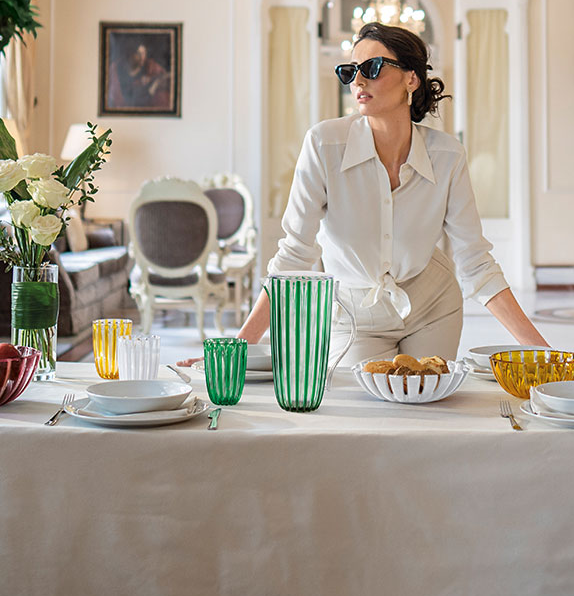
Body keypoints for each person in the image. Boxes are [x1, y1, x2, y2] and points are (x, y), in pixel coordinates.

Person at [233, 22, 550, 366]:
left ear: (411, 79)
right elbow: (294, 256)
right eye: (350, 71)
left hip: (434, 306)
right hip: (355, 316)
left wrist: (547, 353)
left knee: (426, 393)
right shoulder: (324, 146)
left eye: (372, 68)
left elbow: (476, 263)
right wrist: (238, 350)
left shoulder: (447, 156)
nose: (358, 81)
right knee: (361, 400)